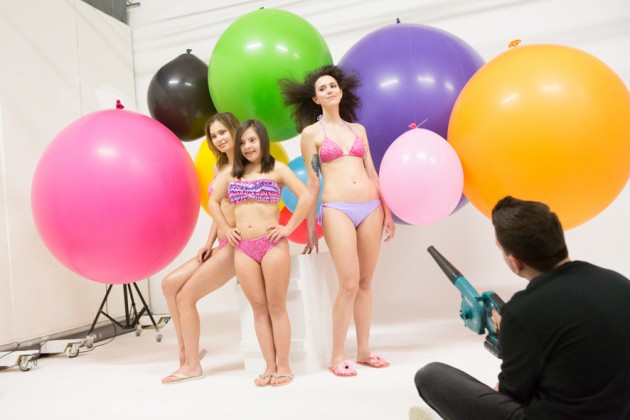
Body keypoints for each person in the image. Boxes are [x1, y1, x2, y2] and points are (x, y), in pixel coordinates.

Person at [412, 196, 630, 419]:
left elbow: (512, 395)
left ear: (515, 262)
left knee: (431, 376)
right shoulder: (618, 283)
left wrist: (511, 335)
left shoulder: (522, 312)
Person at [280, 65, 396, 377]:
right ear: (315, 99)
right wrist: (309, 227)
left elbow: (372, 173)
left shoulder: (358, 131)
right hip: (337, 208)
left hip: (371, 207)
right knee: (348, 283)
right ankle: (337, 356)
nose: (329, 90)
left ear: (341, 92)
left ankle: (364, 351)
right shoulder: (311, 134)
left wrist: (387, 210)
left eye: (333, 86)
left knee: (365, 283)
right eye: (322, 88)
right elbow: (312, 184)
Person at [209, 119, 313, 387]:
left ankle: (284, 366)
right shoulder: (231, 173)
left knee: (276, 306)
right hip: (243, 248)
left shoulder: (277, 169)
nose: (247, 146)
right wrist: (226, 228)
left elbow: (306, 196)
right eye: (243, 142)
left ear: (263, 141)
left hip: (271, 245)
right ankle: (269, 366)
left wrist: (288, 227)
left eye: (252, 140)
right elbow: (213, 201)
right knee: (258, 307)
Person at [160, 112, 240, 385]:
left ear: (234, 130)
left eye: (223, 132)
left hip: (238, 246)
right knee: (169, 285)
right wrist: (208, 243)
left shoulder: (247, 166)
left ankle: (192, 366)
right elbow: (219, 209)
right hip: (222, 243)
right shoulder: (220, 167)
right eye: (214, 136)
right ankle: (185, 353)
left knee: (186, 297)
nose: (218, 139)